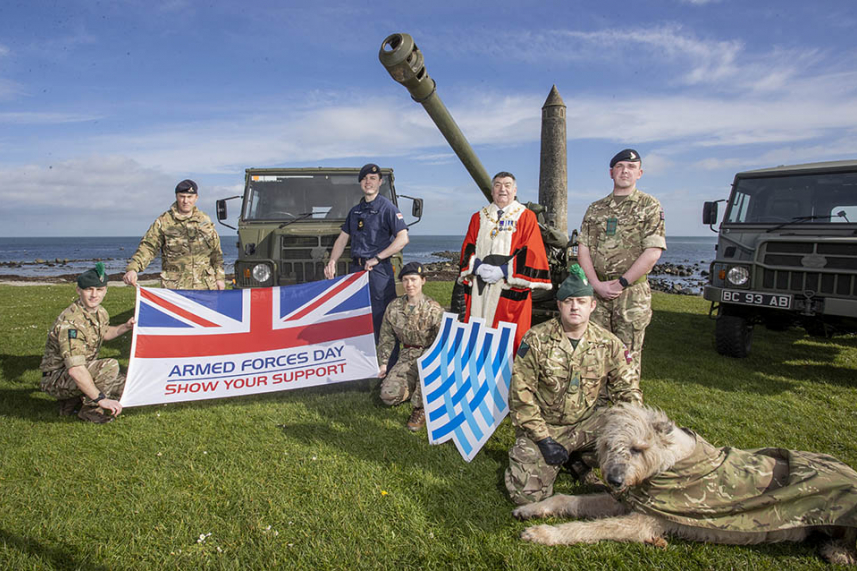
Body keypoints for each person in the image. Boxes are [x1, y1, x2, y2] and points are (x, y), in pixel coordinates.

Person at [504, 265, 642, 505]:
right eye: (568, 301)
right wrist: (543, 439)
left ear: (592, 305)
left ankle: (579, 460)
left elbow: (628, 391)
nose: (575, 307)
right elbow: (520, 394)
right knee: (526, 497)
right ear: (559, 305)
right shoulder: (536, 339)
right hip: (547, 427)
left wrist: (630, 434)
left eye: (581, 301)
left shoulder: (609, 344)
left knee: (625, 447)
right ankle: (563, 458)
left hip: (590, 424)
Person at [577, 149, 666, 378]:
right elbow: (583, 249)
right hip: (597, 293)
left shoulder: (649, 206)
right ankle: (596, 411)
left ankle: (626, 411)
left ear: (639, 173)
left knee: (627, 357)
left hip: (631, 294)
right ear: (611, 172)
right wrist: (596, 284)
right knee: (595, 354)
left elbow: (653, 251)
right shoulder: (596, 209)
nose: (625, 171)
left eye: (631, 167)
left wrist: (621, 283)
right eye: (619, 166)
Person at [457, 171, 551, 353]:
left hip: (509, 289)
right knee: (477, 336)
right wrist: (477, 266)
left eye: (507, 185)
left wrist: (503, 271)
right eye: (498, 185)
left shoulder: (526, 216)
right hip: (480, 289)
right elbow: (468, 246)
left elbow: (532, 251)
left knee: (509, 342)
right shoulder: (479, 217)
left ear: (514, 190)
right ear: (492, 191)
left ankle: (509, 378)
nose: (503, 189)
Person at [324, 164, 409, 344]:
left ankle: (386, 364)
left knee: (382, 318)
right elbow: (342, 239)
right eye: (364, 179)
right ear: (360, 183)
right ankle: (363, 362)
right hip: (357, 270)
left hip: (378, 271)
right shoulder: (355, 211)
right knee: (358, 315)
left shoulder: (388, 208)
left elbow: (403, 238)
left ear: (380, 182)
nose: (368, 182)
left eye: (372, 178)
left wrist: (378, 257)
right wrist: (332, 261)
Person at [39, 263, 135, 424]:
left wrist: (125, 327)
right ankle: (90, 410)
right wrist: (101, 400)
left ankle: (74, 400)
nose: (94, 295)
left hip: (84, 370)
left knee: (128, 387)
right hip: (57, 378)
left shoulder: (100, 312)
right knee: (110, 366)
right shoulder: (71, 323)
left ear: (105, 290)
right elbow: (75, 370)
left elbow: (104, 333)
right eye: (88, 289)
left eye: (99, 290)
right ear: (78, 290)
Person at [376, 262, 444, 431]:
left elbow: (444, 341)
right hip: (407, 355)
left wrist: (434, 363)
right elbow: (387, 338)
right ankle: (413, 387)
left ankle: (420, 408)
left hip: (430, 355)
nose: (409, 284)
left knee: (425, 378)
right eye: (405, 280)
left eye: (413, 279)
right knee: (387, 396)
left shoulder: (434, 309)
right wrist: (383, 363)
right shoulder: (394, 308)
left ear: (423, 281)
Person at [123, 179, 226, 290]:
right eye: (182, 196)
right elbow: (148, 247)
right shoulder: (164, 222)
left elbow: (216, 253)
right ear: (176, 196)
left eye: (189, 197)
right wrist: (133, 269)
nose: (185, 201)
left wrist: (220, 278)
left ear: (196, 198)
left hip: (205, 287)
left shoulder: (205, 221)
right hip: (176, 289)